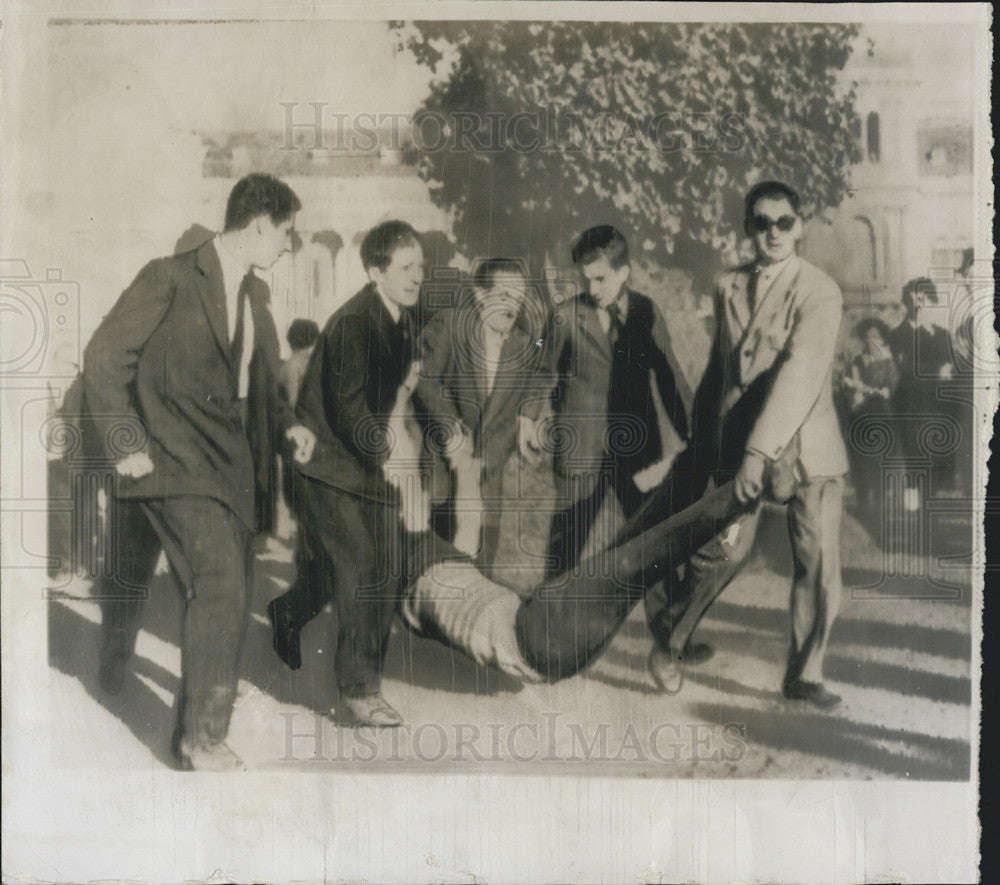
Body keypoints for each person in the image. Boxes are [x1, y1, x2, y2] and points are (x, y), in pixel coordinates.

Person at [82, 173, 315, 770]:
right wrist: (126, 442)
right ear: (260, 223)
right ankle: (198, 735)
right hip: (167, 459)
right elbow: (106, 356)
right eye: (287, 232)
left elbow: (261, 382)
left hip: (228, 469)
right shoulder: (170, 275)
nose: (290, 244)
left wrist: (290, 425)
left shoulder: (256, 297)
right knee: (212, 581)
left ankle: (193, 723)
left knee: (213, 590)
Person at [646, 180, 850, 710]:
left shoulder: (820, 291)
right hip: (739, 446)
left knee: (819, 563)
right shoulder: (727, 285)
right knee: (726, 550)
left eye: (784, 222)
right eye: (761, 223)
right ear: (748, 230)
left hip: (810, 447)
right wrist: (702, 441)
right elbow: (719, 371)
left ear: (799, 226)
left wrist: (760, 451)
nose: (774, 233)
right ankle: (672, 639)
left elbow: (802, 372)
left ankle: (805, 673)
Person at [267, 220, 425, 727]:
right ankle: (360, 690)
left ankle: (287, 614)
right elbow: (350, 408)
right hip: (325, 469)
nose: (417, 275)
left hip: (364, 465)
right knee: (361, 566)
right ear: (376, 270)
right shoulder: (355, 322)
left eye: (420, 266)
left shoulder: (402, 317)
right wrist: (390, 453)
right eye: (406, 267)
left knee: (363, 568)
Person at [543, 225, 691, 589]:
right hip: (580, 452)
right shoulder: (566, 316)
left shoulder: (646, 312)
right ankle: (546, 636)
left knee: (654, 547)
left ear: (624, 273)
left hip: (637, 452)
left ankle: (673, 637)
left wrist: (695, 435)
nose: (592, 289)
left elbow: (670, 378)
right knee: (564, 554)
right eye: (586, 279)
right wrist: (531, 418)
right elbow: (540, 374)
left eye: (601, 278)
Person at [413, 257, 550, 570]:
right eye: (503, 296)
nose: (512, 306)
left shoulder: (525, 344)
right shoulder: (451, 324)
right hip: (441, 480)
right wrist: (452, 429)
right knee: (429, 579)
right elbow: (423, 378)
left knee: (478, 579)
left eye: (519, 297)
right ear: (479, 294)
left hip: (488, 485)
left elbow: (541, 377)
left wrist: (527, 418)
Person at [886, 277, 957, 507]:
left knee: (935, 461)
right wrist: (935, 371)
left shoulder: (942, 335)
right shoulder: (897, 336)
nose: (919, 301)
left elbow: (949, 371)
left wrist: (938, 372)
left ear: (931, 300)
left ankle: (931, 505)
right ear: (907, 300)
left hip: (936, 408)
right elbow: (899, 370)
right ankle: (914, 510)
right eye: (914, 297)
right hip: (909, 408)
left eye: (924, 297)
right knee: (913, 458)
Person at [842, 317, 899, 520]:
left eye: (874, 337)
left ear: (881, 338)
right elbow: (849, 388)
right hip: (861, 418)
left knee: (880, 462)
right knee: (860, 461)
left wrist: (878, 391)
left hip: (881, 417)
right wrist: (854, 391)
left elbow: (890, 388)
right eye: (866, 337)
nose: (870, 341)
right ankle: (863, 504)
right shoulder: (856, 361)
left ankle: (881, 506)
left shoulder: (887, 362)